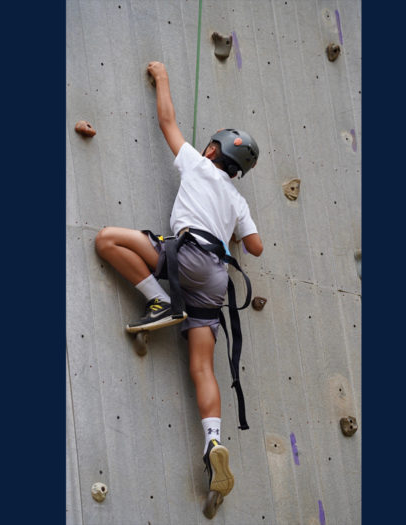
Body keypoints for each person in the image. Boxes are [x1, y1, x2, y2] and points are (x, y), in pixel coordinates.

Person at [94, 60, 263, 518]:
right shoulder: (238, 199)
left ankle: (159, 299)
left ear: (212, 151)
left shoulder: (196, 164)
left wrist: (161, 77)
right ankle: (213, 443)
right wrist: (231, 230)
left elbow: (167, 121)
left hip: (185, 259)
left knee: (108, 239)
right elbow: (256, 247)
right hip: (216, 281)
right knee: (202, 368)